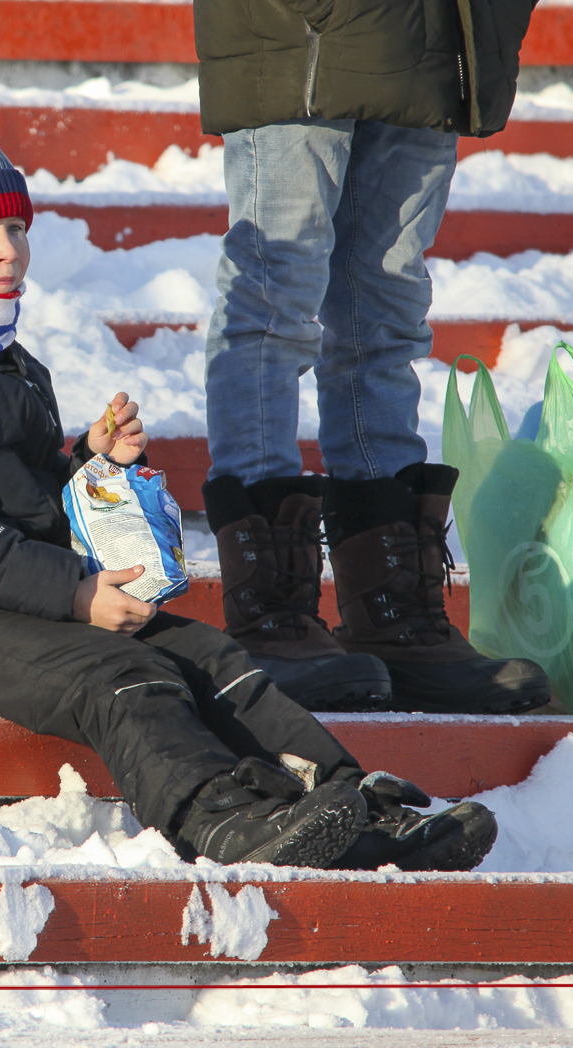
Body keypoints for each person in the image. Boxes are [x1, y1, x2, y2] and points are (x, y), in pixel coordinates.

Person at [0, 107, 498, 870]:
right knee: (121, 671)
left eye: (16, 227)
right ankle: (218, 816)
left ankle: (347, 801)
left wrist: (91, 466)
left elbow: (22, 505)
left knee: (209, 653)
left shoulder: (0, 357)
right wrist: (72, 593)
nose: (8, 250)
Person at [191, 0, 551, 714]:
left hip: (437, 34)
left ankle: (392, 611)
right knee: (274, 298)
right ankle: (269, 616)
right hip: (303, 30)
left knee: (386, 311)